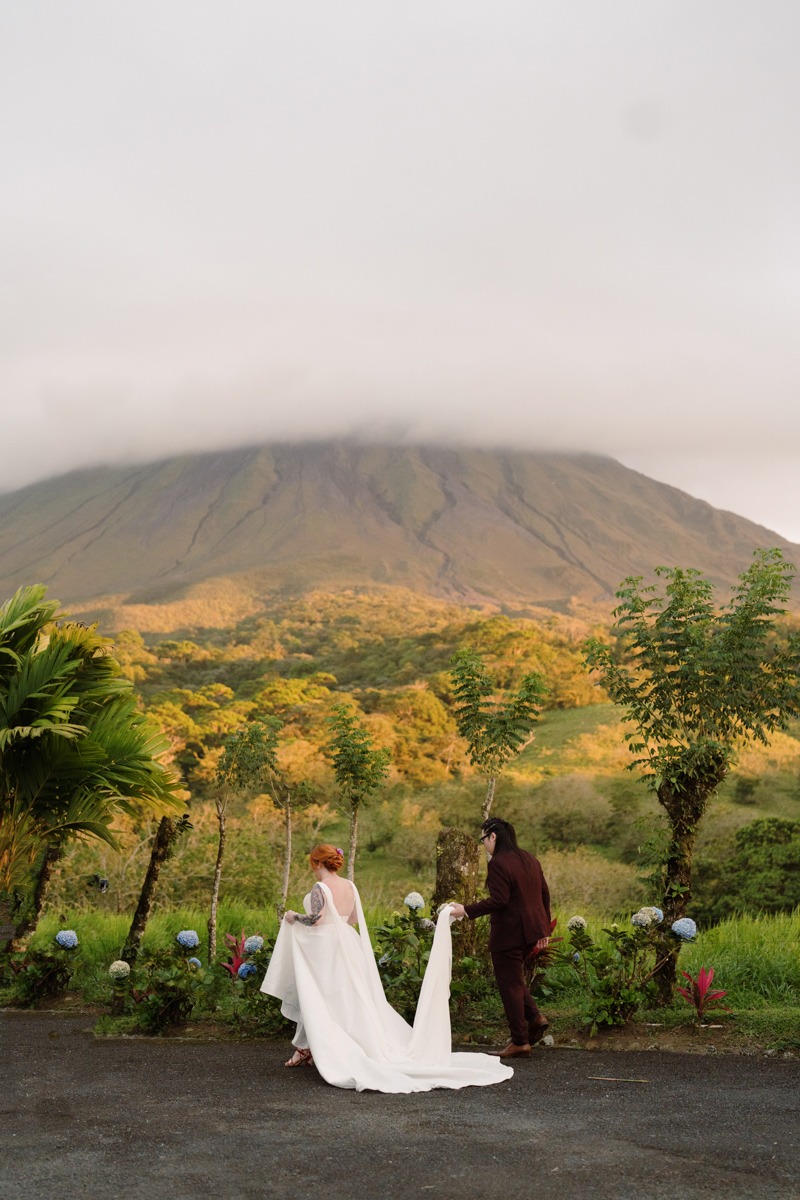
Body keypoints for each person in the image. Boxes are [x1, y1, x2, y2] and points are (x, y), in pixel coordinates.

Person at [260, 843, 513, 1092]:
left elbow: (315, 919)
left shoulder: (320, 887)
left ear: (317, 863)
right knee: (346, 1000)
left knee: (319, 998)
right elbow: (353, 919)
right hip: (348, 944)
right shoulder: (350, 886)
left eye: (312, 865)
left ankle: (319, 1049)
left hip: (325, 949)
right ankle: (306, 1048)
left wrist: (293, 916)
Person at [450, 817, 551, 1059]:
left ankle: (520, 1041)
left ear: (493, 836)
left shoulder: (498, 863)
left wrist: (465, 910)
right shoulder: (530, 858)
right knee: (515, 979)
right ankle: (535, 1017)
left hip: (509, 932)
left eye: (483, 839)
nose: (483, 844)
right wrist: (544, 929)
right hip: (531, 931)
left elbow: (499, 900)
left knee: (509, 986)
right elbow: (544, 895)